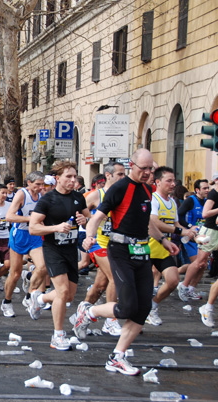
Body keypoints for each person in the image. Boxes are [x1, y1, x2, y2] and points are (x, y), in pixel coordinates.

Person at [79, 149, 179, 375]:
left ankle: (117, 357)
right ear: (132, 165)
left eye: (150, 169)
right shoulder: (119, 188)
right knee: (126, 307)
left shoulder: (148, 189)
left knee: (142, 309)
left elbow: (147, 222)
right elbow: (97, 218)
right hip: (120, 250)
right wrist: (89, 237)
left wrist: (163, 241)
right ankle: (90, 312)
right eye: (142, 168)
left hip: (142, 249)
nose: (146, 173)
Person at [29, 161, 91, 351]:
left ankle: (39, 299)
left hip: (70, 250)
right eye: (68, 177)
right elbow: (33, 228)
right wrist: (55, 227)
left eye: (75, 177)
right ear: (58, 179)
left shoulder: (79, 198)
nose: (73, 180)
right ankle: (58, 335)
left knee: (69, 296)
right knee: (63, 292)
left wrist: (84, 220)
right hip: (53, 249)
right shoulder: (47, 200)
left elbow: (89, 219)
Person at [70, 162, 125, 336]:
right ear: (108, 176)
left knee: (101, 284)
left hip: (116, 243)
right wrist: (82, 220)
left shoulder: (124, 195)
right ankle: (111, 320)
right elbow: (77, 211)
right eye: (120, 175)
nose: (124, 178)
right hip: (97, 242)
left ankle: (82, 312)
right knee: (116, 277)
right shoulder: (96, 195)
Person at [144, 167, 197, 326]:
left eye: (174, 180)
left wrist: (189, 232)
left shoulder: (172, 202)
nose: (173, 184)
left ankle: (153, 306)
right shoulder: (153, 199)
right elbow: (154, 222)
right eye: (169, 180)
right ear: (158, 182)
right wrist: (181, 231)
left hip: (164, 248)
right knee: (142, 287)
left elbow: (176, 224)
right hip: (146, 247)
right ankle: (135, 317)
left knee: (173, 281)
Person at [3, 171, 45, 318]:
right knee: (15, 274)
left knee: (43, 267)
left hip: (35, 235)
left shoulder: (41, 195)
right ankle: (7, 302)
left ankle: (28, 296)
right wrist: (30, 219)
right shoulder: (22, 194)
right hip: (19, 235)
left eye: (42, 184)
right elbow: (9, 216)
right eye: (37, 184)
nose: (41, 187)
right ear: (29, 183)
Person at [176, 179, 210, 298]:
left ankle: (191, 288)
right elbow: (178, 216)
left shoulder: (207, 201)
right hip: (190, 236)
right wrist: (189, 227)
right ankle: (184, 286)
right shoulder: (190, 201)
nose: (207, 190)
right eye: (204, 188)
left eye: (208, 188)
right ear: (197, 190)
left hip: (202, 237)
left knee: (203, 264)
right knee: (197, 262)